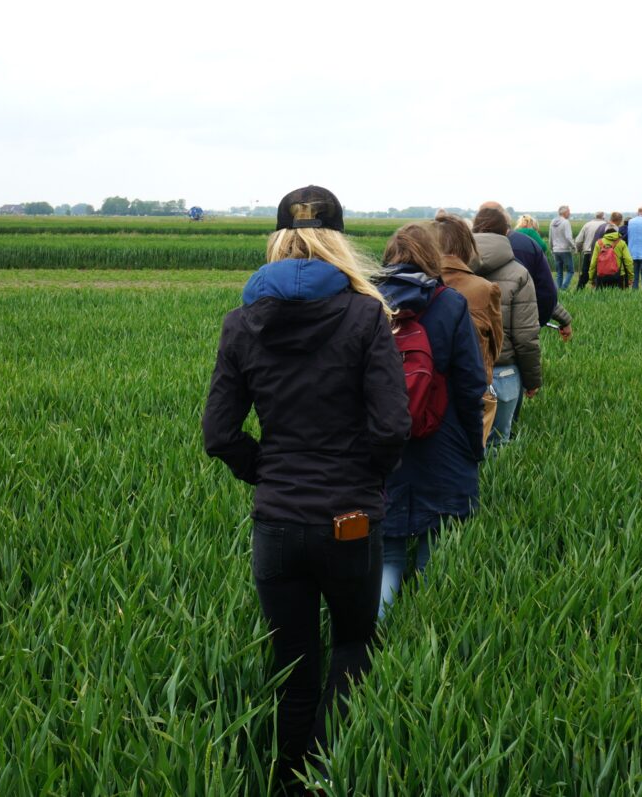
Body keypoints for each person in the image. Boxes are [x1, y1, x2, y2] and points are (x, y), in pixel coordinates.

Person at [202, 185, 410, 792]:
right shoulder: (366, 316)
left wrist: (266, 471)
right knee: (352, 646)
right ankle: (329, 780)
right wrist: (366, 478)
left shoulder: (242, 322)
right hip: (351, 520)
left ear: (278, 240)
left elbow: (219, 434)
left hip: (276, 523)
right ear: (337, 242)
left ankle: (288, 783)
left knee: (292, 669)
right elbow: (392, 426)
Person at [377, 224, 488, 617]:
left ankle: (372, 643)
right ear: (431, 258)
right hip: (444, 441)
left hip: (383, 445)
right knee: (434, 552)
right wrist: (473, 446)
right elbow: (471, 382)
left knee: (387, 557)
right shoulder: (450, 303)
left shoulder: (365, 301)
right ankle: (427, 637)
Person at [470, 207, 542, 446]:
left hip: (462, 370)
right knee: (498, 445)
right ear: (506, 232)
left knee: (464, 445)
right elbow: (526, 337)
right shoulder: (519, 273)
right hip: (504, 371)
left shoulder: (452, 269)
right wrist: (532, 380)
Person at [432, 210, 503, 443]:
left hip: (421, 391)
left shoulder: (413, 284)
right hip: (471, 392)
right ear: (467, 245)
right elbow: (495, 346)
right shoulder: (484, 289)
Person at [474, 201, 572, 339]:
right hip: (514, 338)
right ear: (505, 221)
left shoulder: (462, 248)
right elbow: (545, 293)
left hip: (474, 340)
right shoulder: (528, 246)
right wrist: (536, 323)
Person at [587, 223, 634, 289]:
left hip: (601, 276)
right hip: (618, 275)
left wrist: (591, 278)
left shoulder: (599, 243)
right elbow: (628, 261)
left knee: (601, 295)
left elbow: (593, 263)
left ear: (605, 231)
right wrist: (630, 277)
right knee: (618, 295)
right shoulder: (622, 243)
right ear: (617, 231)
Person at [548, 205, 578, 291]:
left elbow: (550, 237)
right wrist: (574, 247)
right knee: (570, 271)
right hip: (565, 250)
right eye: (569, 212)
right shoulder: (566, 222)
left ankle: (558, 290)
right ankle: (563, 288)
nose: (570, 213)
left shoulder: (553, 222)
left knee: (559, 272)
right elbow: (568, 237)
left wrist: (552, 248)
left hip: (556, 250)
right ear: (565, 213)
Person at [575, 211, 606, 291]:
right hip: (602, 252)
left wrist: (579, 249)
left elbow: (578, 240)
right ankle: (598, 290)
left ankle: (579, 290)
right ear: (603, 217)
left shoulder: (587, 225)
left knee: (585, 272)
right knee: (599, 272)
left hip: (588, 252)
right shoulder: (605, 225)